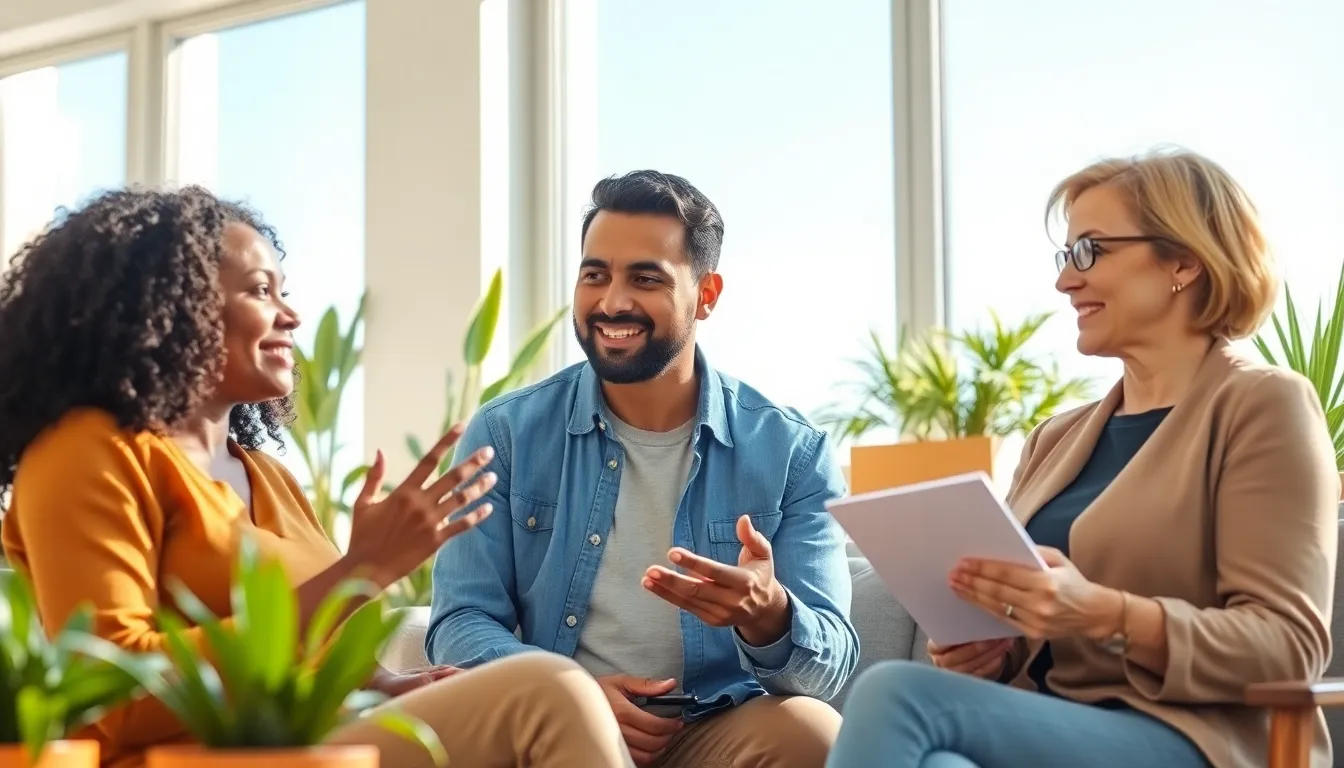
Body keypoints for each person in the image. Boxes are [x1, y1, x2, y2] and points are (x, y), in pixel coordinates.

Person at [0, 186, 635, 768]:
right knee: (549, 691)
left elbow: (312, 660)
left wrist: (387, 687)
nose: (291, 316)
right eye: (258, 291)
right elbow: (114, 695)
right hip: (192, 760)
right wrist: (359, 571)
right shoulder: (87, 452)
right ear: (170, 305)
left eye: (283, 291)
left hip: (309, 749)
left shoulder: (268, 477)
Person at [825, 147, 1340, 768]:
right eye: (1066, 255)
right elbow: (1030, 635)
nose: (1066, 279)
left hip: (1201, 739)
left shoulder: (1263, 406)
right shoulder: (1056, 438)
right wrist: (990, 652)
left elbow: (1287, 647)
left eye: (1090, 250)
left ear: (1184, 260)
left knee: (893, 692)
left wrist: (1104, 614)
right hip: (1054, 726)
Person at [425, 170, 857, 767]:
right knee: (562, 709)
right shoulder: (505, 434)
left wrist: (769, 616)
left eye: (645, 278)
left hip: (711, 725)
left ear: (706, 294)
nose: (613, 302)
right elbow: (460, 620)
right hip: (553, 724)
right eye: (595, 274)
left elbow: (828, 665)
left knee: (813, 731)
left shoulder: (791, 451)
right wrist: (572, 696)